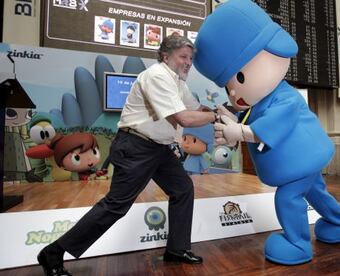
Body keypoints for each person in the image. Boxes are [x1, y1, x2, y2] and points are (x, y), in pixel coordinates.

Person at [193, 0, 340, 265]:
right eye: (228, 86)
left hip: (302, 161)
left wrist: (239, 131)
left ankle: (298, 244)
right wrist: (228, 119)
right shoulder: (262, 100)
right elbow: (248, 119)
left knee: (288, 197)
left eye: (240, 79)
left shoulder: (286, 99)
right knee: (316, 192)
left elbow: (265, 128)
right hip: (304, 164)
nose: (234, 92)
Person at [37, 34, 217, 276]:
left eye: (191, 58)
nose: (188, 63)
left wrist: (224, 109)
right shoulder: (157, 76)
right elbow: (184, 118)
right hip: (136, 146)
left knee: (183, 189)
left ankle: (177, 249)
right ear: (165, 56)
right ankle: (53, 252)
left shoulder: (178, 83)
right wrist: (216, 117)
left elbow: (196, 109)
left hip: (159, 148)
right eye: (183, 57)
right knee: (116, 205)